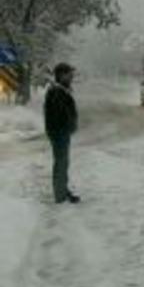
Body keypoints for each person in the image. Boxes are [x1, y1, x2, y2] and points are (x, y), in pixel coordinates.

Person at [44, 63, 79, 204]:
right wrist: (67, 126)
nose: (72, 76)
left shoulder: (61, 90)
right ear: (61, 75)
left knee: (63, 163)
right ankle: (60, 195)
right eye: (69, 73)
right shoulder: (56, 92)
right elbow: (59, 115)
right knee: (61, 163)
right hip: (59, 133)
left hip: (61, 133)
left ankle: (63, 190)